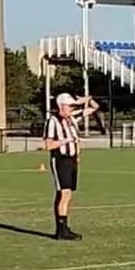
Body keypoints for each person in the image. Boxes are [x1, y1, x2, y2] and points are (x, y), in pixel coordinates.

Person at [43, 92, 97, 240]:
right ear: (61, 106)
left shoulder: (72, 119)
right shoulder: (53, 122)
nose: (72, 108)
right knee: (64, 193)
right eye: (69, 106)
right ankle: (61, 231)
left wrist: (87, 99)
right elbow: (48, 145)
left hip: (72, 160)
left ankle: (63, 227)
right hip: (61, 160)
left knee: (67, 194)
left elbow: (94, 108)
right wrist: (66, 140)